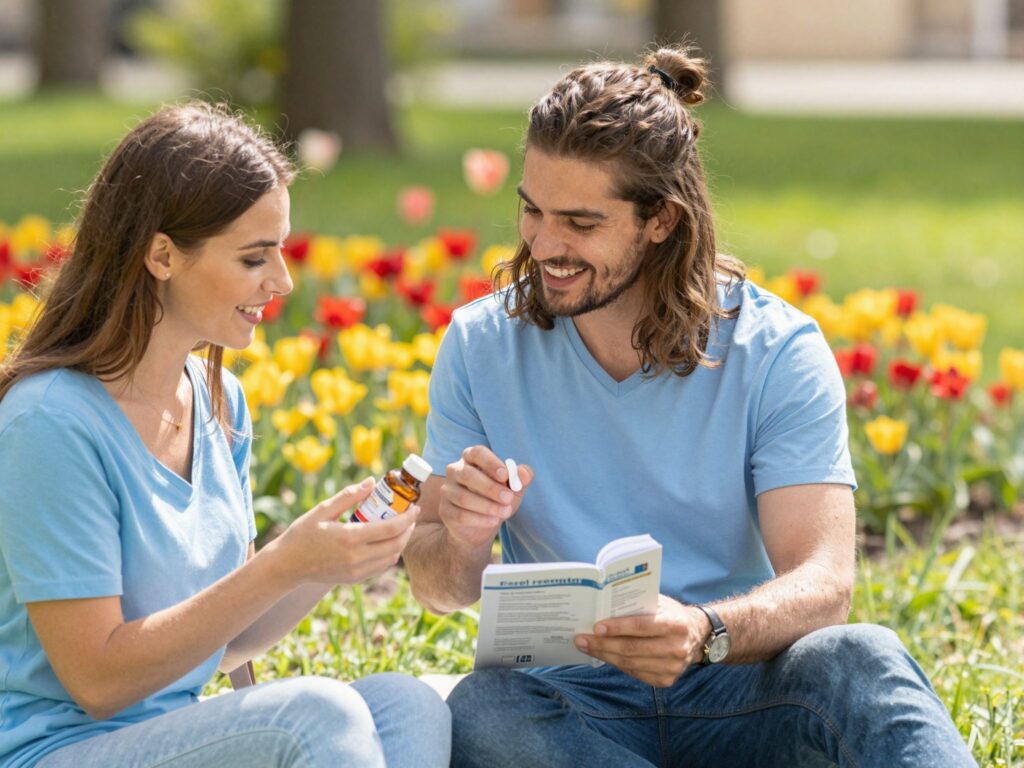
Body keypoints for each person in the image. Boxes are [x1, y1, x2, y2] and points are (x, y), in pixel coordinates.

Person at [402, 47, 975, 767]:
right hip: (569, 705)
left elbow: (825, 584)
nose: (546, 244)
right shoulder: (480, 345)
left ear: (662, 221)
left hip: (738, 685)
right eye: (531, 210)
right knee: (485, 711)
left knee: (861, 657)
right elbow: (437, 585)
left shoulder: (776, 350)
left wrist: (700, 629)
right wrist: (458, 535)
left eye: (580, 223)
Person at [0, 102, 450, 768]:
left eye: (281, 253)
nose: (283, 282)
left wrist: (327, 562)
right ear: (161, 255)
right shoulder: (50, 424)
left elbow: (226, 638)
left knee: (406, 705)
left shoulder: (219, 402)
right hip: (59, 751)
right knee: (318, 716)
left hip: (171, 738)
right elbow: (97, 680)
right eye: (253, 258)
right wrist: (283, 562)